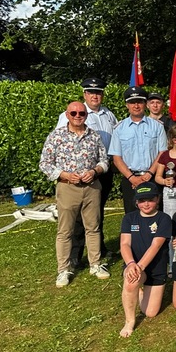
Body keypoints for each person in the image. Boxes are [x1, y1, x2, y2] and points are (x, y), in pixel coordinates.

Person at [40, 101, 110, 287]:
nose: (78, 116)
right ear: (67, 114)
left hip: (92, 187)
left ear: (86, 115)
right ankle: (63, 269)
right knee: (65, 231)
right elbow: (45, 163)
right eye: (74, 113)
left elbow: (104, 160)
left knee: (93, 227)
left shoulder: (94, 136)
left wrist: (95, 171)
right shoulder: (56, 136)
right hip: (67, 187)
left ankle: (95, 264)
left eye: (81, 113)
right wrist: (64, 175)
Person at [56, 77, 117, 264]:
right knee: (75, 217)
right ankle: (75, 254)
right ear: (84, 94)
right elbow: (60, 143)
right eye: (91, 92)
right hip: (77, 174)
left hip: (102, 170)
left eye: (98, 92)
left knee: (96, 213)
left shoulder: (109, 115)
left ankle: (98, 248)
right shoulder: (74, 112)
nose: (95, 96)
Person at [119, 182, 171, 338]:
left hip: (155, 268)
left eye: (150, 199)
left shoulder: (164, 218)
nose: (146, 204)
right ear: (136, 202)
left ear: (158, 199)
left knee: (150, 312)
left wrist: (140, 266)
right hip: (134, 265)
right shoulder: (129, 218)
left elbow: (156, 246)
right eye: (141, 200)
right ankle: (129, 321)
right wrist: (131, 264)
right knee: (131, 282)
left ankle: (141, 292)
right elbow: (125, 244)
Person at [108, 86, 168, 213]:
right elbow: (117, 158)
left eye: (139, 102)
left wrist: (149, 174)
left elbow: (162, 153)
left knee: (155, 214)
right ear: (127, 105)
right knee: (132, 215)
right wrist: (132, 178)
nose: (136, 106)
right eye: (132, 102)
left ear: (145, 104)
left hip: (153, 177)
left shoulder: (157, 126)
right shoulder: (119, 128)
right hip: (130, 179)